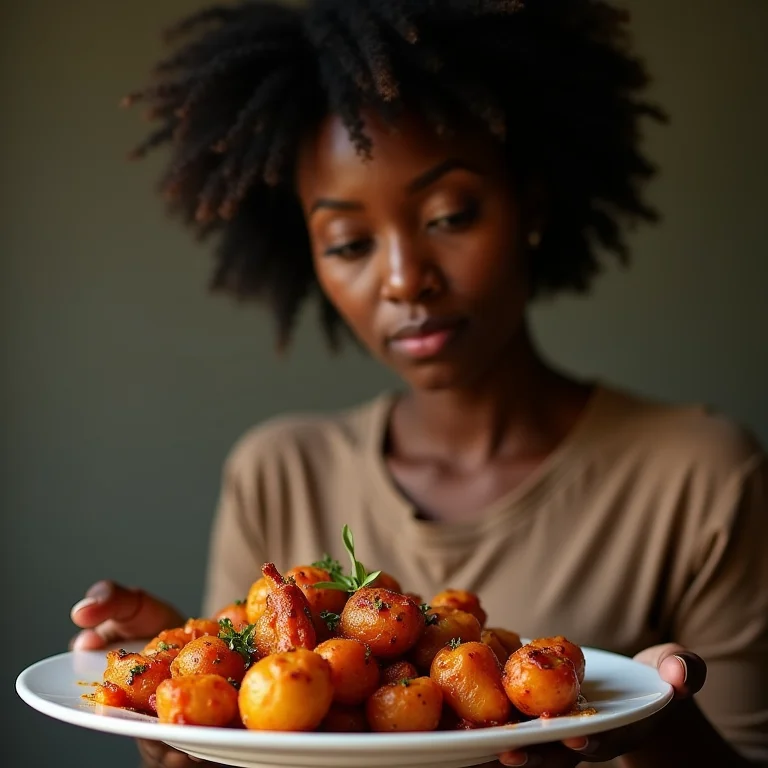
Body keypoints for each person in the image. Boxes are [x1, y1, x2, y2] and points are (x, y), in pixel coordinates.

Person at [69, 1, 768, 766]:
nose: (405, 280)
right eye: (350, 242)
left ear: (530, 202)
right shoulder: (275, 470)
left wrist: (658, 722)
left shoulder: (703, 477)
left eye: (451, 214)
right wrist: (179, 719)